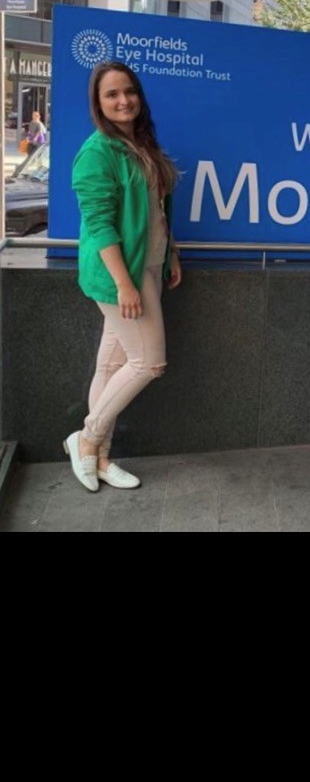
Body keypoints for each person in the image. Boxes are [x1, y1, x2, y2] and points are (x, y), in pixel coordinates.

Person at [64, 62, 182, 492]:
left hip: (148, 265)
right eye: (111, 94)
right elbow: (98, 224)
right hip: (120, 276)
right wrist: (124, 283)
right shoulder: (97, 152)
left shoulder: (142, 144)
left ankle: (100, 459)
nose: (123, 100)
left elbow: (156, 212)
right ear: (98, 103)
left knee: (111, 363)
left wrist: (171, 254)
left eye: (128, 91)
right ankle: (87, 439)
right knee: (149, 363)